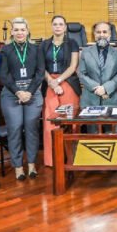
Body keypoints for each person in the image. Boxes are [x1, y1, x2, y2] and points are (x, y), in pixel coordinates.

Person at [0, 17, 45, 180]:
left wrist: (29, 92)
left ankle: (31, 165)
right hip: (12, 94)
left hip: (33, 92)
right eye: (16, 30)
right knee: (15, 129)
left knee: (32, 129)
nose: (19, 32)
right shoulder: (5, 50)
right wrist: (19, 92)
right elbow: (3, 75)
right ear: (11, 32)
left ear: (28, 31)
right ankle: (18, 166)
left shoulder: (36, 49)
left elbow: (40, 73)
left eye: (22, 29)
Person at [41, 15, 81, 167]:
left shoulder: (72, 43)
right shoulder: (44, 45)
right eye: (55, 24)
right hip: (49, 83)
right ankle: (53, 160)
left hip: (68, 83)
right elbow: (41, 66)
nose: (58, 27)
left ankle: (72, 158)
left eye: (61, 24)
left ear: (65, 27)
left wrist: (58, 81)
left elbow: (72, 66)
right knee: (50, 122)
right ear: (51, 26)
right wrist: (51, 82)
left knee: (70, 122)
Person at [77, 22, 117, 132]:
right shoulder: (86, 52)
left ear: (110, 34)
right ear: (94, 34)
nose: (101, 35)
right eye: (98, 32)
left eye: (104, 32)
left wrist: (106, 88)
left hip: (111, 99)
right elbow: (82, 73)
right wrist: (97, 88)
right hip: (91, 100)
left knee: (113, 135)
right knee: (93, 137)